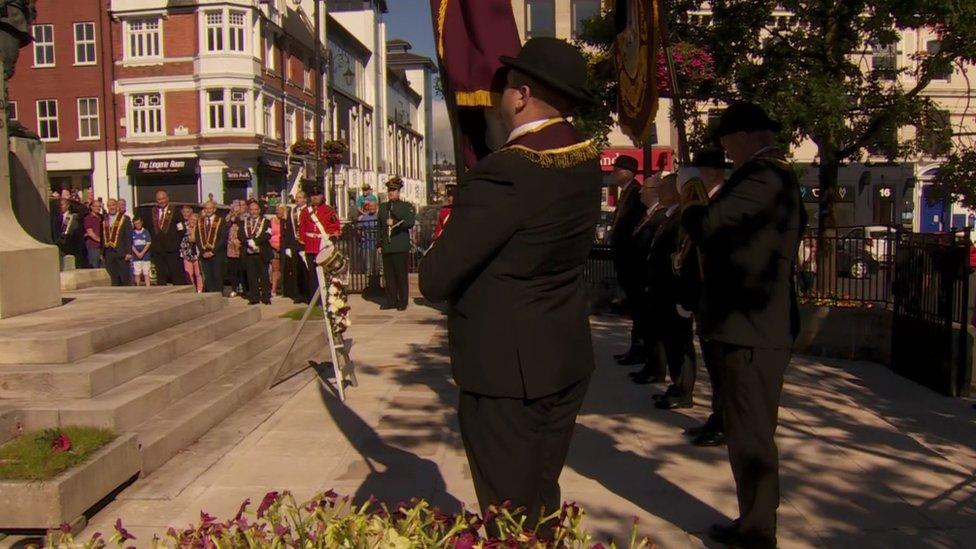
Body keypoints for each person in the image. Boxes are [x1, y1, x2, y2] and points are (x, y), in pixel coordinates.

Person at [418, 37, 601, 533]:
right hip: (561, 356)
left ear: (520, 96)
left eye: (504, 92)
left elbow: (436, 279)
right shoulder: (586, 162)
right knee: (540, 495)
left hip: (506, 373)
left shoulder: (506, 171)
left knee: (507, 515)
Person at [679, 102, 806, 548]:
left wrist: (691, 190)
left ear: (749, 136)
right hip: (743, 322)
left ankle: (757, 532)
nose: (724, 149)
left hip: (750, 327)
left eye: (727, 140)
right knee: (743, 431)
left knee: (751, 436)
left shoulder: (764, 176)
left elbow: (709, 225)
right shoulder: (766, 176)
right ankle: (752, 518)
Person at [676, 148, 732, 447]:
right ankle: (717, 415)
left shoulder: (722, 201)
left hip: (720, 298)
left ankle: (726, 422)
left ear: (713, 172)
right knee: (713, 364)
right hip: (703, 297)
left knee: (723, 366)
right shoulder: (705, 201)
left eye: (698, 171)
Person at [645, 173, 696, 410]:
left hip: (672, 290)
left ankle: (684, 389)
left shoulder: (681, 217)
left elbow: (680, 256)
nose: (660, 192)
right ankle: (676, 385)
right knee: (670, 340)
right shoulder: (668, 216)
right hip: (660, 290)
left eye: (664, 188)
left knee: (680, 341)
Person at [628, 175, 669, 385]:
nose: (640, 191)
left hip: (651, 280)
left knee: (654, 328)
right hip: (641, 279)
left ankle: (656, 368)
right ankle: (650, 364)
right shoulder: (648, 215)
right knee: (645, 323)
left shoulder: (660, 217)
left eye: (645, 188)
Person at [609, 155, 647, 366]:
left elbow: (632, 228)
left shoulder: (635, 194)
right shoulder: (627, 193)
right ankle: (635, 348)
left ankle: (639, 349)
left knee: (638, 309)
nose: (613, 173)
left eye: (616, 169)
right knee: (635, 308)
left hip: (632, 261)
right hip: (625, 259)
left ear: (626, 172)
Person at [377, 177, 416, 310]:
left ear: (399, 192)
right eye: (389, 190)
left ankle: (403, 302)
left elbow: (410, 222)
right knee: (389, 277)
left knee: (401, 276)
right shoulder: (383, 207)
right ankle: (391, 301)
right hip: (387, 247)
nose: (391, 193)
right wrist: (379, 244)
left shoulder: (406, 206)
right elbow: (380, 227)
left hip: (400, 246)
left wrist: (394, 222)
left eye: (394, 190)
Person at [298, 185, 341, 302]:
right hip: (310, 247)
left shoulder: (329, 210)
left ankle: (326, 298)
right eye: (313, 195)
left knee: (324, 274)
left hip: (323, 246)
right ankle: (314, 299)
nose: (315, 197)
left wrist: (331, 240)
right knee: (312, 275)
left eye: (317, 195)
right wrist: (302, 245)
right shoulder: (305, 211)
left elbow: (335, 227)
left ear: (322, 196)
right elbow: (302, 228)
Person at [148, 190, 186, 285]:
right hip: (158, 249)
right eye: (159, 199)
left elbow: (181, 229)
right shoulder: (153, 212)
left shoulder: (175, 211)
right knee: (160, 274)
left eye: (163, 198)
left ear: (167, 198)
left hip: (172, 248)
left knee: (175, 273)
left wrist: (175, 243)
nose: (161, 201)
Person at [240, 200, 273, 305]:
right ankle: (254, 297)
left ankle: (266, 297)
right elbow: (240, 234)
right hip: (249, 253)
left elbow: (268, 235)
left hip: (261, 252)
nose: (253, 212)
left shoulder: (266, 222)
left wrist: (255, 241)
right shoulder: (244, 222)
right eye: (251, 210)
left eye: (255, 209)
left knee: (264, 276)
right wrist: (248, 242)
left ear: (259, 210)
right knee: (251, 276)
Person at [196, 200, 228, 293]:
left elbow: (222, 238)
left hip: (217, 253)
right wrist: (203, 252)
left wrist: (213, 252)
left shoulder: (220, 220)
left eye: (210, 208)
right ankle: (210, 296)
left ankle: (218, 296)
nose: (208, 210)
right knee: (208, 276)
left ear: (214, 209)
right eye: (206, 208)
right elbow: (198, 238)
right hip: (204, 254)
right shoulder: (200, 221)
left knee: (217, 275)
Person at [276, 204, 303, 303]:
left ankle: (296, 292)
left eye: (280, 210)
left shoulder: (288, 220)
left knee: (294, 270)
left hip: (292, 247)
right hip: (284, 247)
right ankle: (287, 291)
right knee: (285, 270)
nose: (278, 212)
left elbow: (289, 234)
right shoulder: (282, 221)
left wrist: (288, 247)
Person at [102, 198, 132, 286]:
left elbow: (128, 237)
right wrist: (102, 252)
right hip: (109, 252)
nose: (111, 207)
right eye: (109, 205)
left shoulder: (125, 219)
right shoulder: (104, 219)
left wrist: (129, 252)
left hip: (122, 252)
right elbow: (102, 235)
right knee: (113, 277)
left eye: (113, 205)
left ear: (117, 206)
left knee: (125, 276)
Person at [181, 214, 204, 292]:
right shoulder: (184, 228)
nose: (192, 221)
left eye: (195, 220)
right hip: (186, 254)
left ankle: (200, 290)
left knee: (198, 274)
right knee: (189, 274)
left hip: (196, 254)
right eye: (191, 219)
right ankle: (192, 289)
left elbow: (193, 240)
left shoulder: (199, 229)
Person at [55, 198, 81, 264]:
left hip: (69, 244)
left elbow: (75, 230)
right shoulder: (56, 217)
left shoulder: (73, 216)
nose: (60, 207)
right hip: (58, 244)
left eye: (62, 205)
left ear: (67, 206)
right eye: (59, 205)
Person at [130, 217, 153, 287]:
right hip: (136, 257)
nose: (138, 225)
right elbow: (131, 244)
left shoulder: (146, 231)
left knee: (146, 272)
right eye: (136, 224)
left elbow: (148, 243)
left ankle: (148, 287)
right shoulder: (132, 233)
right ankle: (138, 287)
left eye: (139, 223)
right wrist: (137, 253)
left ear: (141, 223)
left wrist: (142, 253)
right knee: (137, 273)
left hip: (145, 256)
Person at [226, 216, 243, 297]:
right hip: (231, 253)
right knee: (233, 272)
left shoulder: (242, 227)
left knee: (242, 272)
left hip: (241, 252)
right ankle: (234, 289)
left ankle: (243, 288)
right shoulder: (230, 227)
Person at [82, 201, 103, 269]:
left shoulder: (101, 217)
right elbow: (90, 233)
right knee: (94, 266)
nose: (98, 208)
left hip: (102, 247)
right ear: (91, 207)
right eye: (96, 206)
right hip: (93, 246)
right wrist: (101, 240)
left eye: (99, 206)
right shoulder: (88, 218)